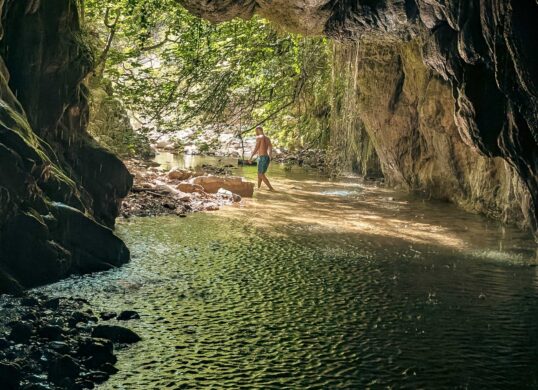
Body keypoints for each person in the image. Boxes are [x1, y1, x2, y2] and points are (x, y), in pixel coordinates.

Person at [249, 126, 275, 191]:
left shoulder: (259, 137)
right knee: (259, 174)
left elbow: (256, 147)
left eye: (256, 131)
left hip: (262, 157)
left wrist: (251, 157)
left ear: (258, 130)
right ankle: (258, 188)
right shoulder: (268, 138)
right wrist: (270, 157)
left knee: (261, 174)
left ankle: (271, 188)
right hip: (266, 157)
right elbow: (270, 148)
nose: (255, 133)